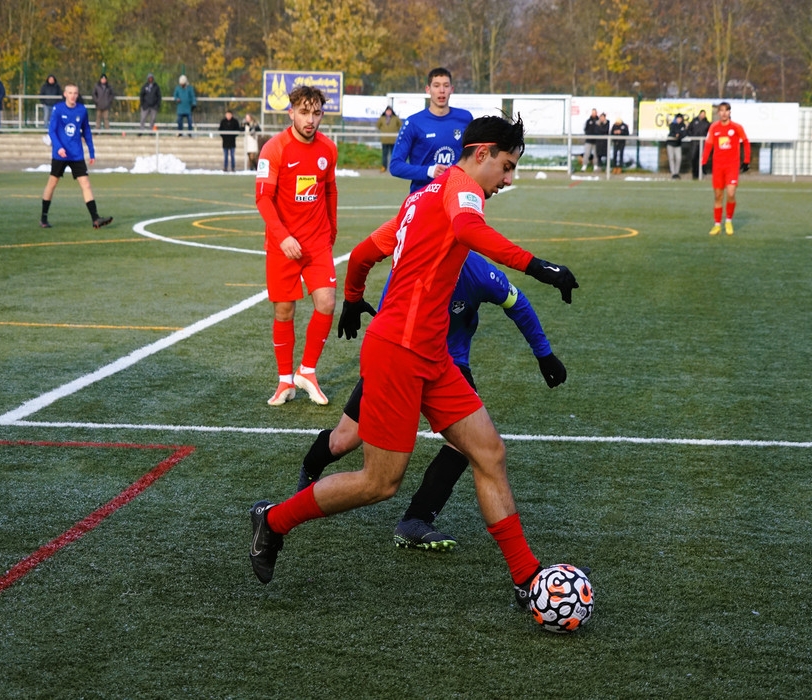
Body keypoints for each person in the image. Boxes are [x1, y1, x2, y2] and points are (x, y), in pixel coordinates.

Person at [248, 114, 584, 617]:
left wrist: (354, 298)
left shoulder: (423, 196)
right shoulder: (462, 188)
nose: (508, 179)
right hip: (399, 353)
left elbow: (364, 253)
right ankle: (272, 521)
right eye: (507, 166)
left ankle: (525, 577)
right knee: (379, 483)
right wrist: (539, 266)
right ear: (483, 153)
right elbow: (469, 228)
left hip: (431, 354)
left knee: (489, 452)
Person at [296, 242, 568, 549]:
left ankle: (416, 519)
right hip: (402, 357)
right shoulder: (413, 263)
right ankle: (307, 476)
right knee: (344, 440)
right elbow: (375, 284)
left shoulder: (478, 272)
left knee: (469, 443)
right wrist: (353, 300)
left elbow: (518, 304)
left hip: (450, 363)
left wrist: (545, 355)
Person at [255, 85, 339, 407]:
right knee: (284, 310)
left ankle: (307, 371)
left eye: (316, 113)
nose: (310, 120)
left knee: (327, 302)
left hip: (317, 242)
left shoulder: (328, 149)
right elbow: (263, 198)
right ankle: (284, 381)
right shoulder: (274, 149)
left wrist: (332, 228)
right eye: (304, 112)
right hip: (283, 244)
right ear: (291, 112)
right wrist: (283, 236)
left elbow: (330, 190)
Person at [39, 84, 113, 231]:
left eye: (75, 93)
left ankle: (95, 219)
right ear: (65, 94)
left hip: (76, 154)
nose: (73, 96)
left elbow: (87, 131)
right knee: (52, 184)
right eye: (70, 93)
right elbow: (52, 131)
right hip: (60, 154)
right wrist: (59, 147)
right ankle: (44, 218)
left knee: (86, 184)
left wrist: (91, 152)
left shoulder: (82, 110)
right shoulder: (58, 109)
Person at [389, 67, 473, 192]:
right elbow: (395, 166)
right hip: (424, 195)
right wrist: (429, 171)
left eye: (446, 86)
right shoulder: (413, 122)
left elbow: (473, 156)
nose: (442, 90)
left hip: (456, 193)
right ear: (428, 89)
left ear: (452, 89)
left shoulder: (465, 118)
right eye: (436, 86)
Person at [701, 102, 750, 236]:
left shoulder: (736, 127)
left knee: (731, 193)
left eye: (726, 110)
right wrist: (704, 162)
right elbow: (708, 145)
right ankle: (717, 225)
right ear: (718, 113)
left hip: (732, 166)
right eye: (721, 111)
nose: (724, 113)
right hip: (718, 166)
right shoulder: (714, 127)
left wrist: (746, 161)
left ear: (730, 112)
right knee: (718, 196)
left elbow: (746, 142)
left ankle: (728, 220)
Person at [687, 109, 711, 180]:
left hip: (703, 142)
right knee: (694, 158)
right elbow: (689, 129)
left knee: (702, 158)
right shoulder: (694, 121)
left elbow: (709, 132)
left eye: (704, 114)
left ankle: (702, 172)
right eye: (702, 114)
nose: (702, 115)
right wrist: (692, 136)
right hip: (694, 142)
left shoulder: (707, 123)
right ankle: (695, 174)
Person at [376, 105, 401, 172]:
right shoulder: (382, 118)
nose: (388, 112)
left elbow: (400, 125)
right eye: (387, 111)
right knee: (384, 154)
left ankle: (393, 167)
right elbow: (378, 125)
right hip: (384, 140)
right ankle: (384, 167)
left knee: (393, 154)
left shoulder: (395, 118)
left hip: (393, 140)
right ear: (385, 111)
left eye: (390, 111)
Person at [667, 113, 686, 179]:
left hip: (678, 144)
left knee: (678, 158)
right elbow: (673, 132)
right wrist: (676, 134)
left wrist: (679, 134)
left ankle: (677, 172)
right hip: (670, 144)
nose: (679, 120)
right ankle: (673, 173)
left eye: (680, 118)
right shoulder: (672, 125)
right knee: (671, 158)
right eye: (678, 118)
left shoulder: (683, 125)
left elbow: (683, 133)